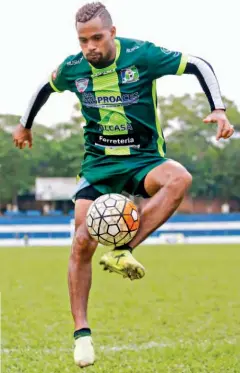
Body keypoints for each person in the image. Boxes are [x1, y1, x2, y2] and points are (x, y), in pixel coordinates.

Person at [13, 2, 234, 367]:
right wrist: (25, 124)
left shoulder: (141, 55)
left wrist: (219, 108)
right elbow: (45, 85)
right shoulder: (74, 68)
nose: (90, 47)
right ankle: (81, 334)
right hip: (99, 166)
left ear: (112, 33)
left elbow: (198, 64)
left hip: (144, 160)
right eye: (83, 41)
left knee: (180, 179)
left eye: (97, 38)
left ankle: (123, 248)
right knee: (82, 241)